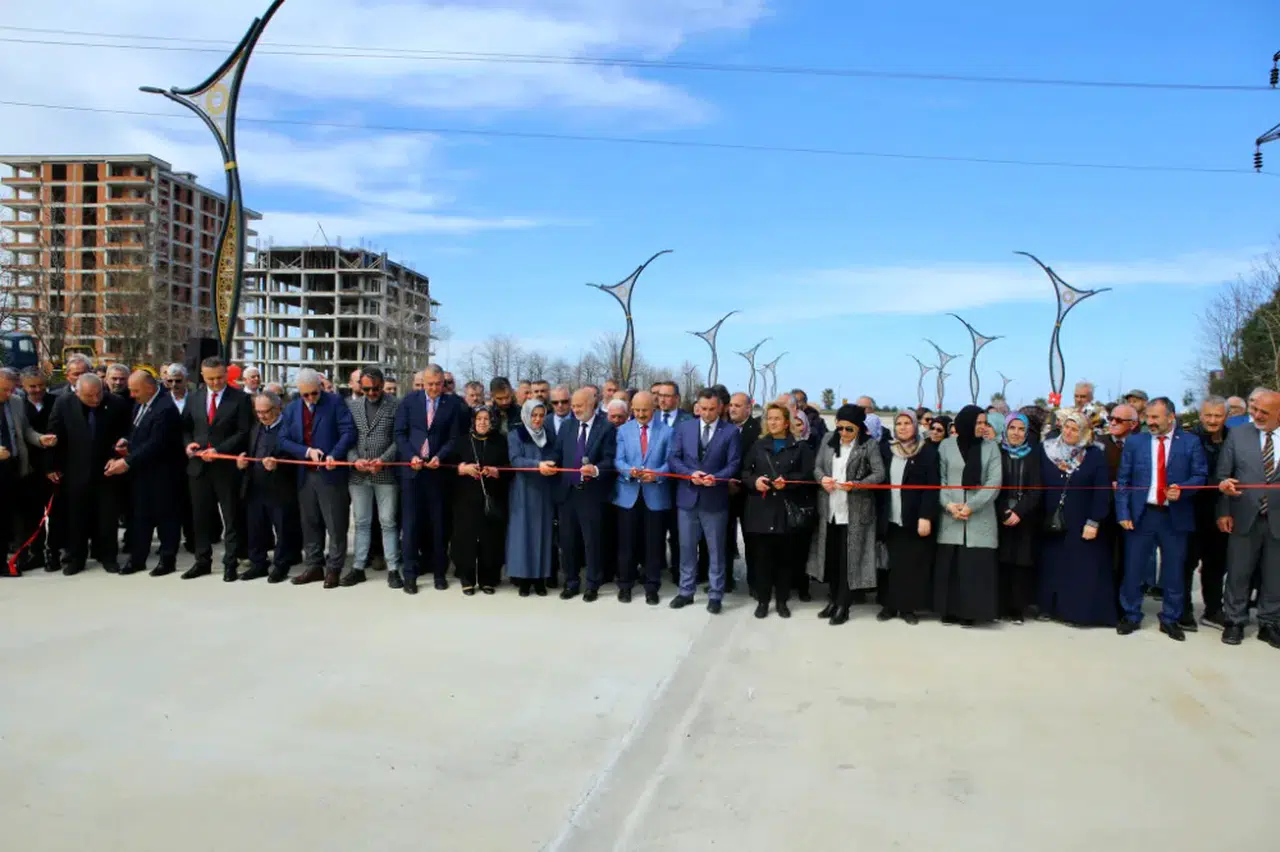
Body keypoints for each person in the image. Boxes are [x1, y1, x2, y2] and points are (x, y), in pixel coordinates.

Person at [1116, 397, 1208, 641]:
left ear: (1171, 417)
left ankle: (1170, 618)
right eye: (1148, 416)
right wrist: (1123, 513)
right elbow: (1123, 481)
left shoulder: (1190, 442)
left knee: (1174, 571)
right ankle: (1131, 614)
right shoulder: (1136, 442)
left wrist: (1184, 489)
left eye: (1155, 417)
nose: (1150, 422)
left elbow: (1200, 476)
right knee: (1134, 568)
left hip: (1175, 517)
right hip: (1142, 515)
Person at [46, 373, 130, 575]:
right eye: (89, 396)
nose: (95, 400)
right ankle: (76, 559)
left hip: (108, 470)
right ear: (77, 392)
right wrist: (51, 466)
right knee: (76, 518)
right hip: (75, 470)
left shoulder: (116, 403)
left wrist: (123, 444)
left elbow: (128, 430)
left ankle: (109, 557)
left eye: (98, 394)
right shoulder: (64, 403)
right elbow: (54, 434)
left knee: (108, 518)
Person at [279, 368, 356, 589]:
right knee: (310, 522)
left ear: (321, 387)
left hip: (331, 474)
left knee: (335, 523)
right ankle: (314, 565)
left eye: (314, 393)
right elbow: (283, 440)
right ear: (298, 392)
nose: (311, 398)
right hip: (305, 475)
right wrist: (306, 451)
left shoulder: (335, 403)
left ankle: (334, 568)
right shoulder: (292, 409)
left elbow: (348, 432)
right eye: (306, 395)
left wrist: (334, 454)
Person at [809, 403, 885, 625]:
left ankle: (844, 604)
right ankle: (833, 600)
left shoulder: (868, 445)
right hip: (829, 510)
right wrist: (822, 479)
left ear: (858, 428)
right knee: (831, 559)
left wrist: (857, 485)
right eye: (840, 427)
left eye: (849, 429)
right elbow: (817, 468)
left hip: (855, 512)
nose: (843, 433)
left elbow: (880, 473)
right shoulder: (827, 440)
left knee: (848, 560)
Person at [667, 388, 741, 614]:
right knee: (686, 547)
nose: (707, 414)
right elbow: (673, 458)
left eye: (712, 409)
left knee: (716, 550)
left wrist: (716, 479)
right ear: (697, 407)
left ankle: (716, 594)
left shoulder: (730, 432)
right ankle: (686, 591)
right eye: (703, 409)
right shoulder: (684, 428)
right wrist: (691, 475)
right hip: (688, 498)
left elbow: (734, 463)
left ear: (720, 408)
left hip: (714, 499)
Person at [1216, 388, 1280, 648]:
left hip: (1277, 517)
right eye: (1254, 409)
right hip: (1243, 515)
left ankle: (1270, 622)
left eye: (1264, 412)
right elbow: (1223, 475)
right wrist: (1223, 510)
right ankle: (1234, 620)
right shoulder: (1238, 434)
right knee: (1238, 572)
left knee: (1275, 575)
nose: (1256, 415)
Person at [1038, 410, 1115, 627]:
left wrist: (1094, 521)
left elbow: (1102, 491)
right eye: (1067, 427)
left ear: (1084, 432)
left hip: (1082, 522)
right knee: (1053, 566)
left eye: (1075, 429)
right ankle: (1049, 608)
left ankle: (1076, 613)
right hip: (1052, 521)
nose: (1070, 432)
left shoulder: (1094, 454)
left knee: (1080, 569)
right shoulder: (1047, 450)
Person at [394, 364, 466, 595]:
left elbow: (455, 437)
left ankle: (438, 574)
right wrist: (411, 456)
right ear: (423, 382)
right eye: (430, 384)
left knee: (439, 526)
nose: (434, 388)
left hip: (438, 473)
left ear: (443, 383)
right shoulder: (409, 401)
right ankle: (410, 576)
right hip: (413, 473)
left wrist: (439, 456)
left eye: (438, 384)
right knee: (411, 526)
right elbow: (400, 434)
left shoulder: (453, 404)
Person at [181, 357, 253, 582]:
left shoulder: (240, 399)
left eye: (220, 378)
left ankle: (230, 562)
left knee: (231, 517)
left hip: (226, 468)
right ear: (203, 376)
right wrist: (188, 444)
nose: (215, 382)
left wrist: (219, 450)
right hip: (199, 467)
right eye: (210, 378)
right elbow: (185, 427)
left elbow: (243, 431)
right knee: (200, 517)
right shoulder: (194, 398)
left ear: (226, 375)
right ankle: (202, 561)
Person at [742, 401, 815, 619]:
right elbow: (745, 471)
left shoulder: (800, 447)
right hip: (761, 510)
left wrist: (790, 482)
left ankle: (782, 601)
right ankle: (763, 601)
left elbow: (808, 475)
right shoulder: (758, 445)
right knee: (762, 560)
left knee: (785, 561)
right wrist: (755, 481)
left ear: (786, 422)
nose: (772, 422)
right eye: (769, 419)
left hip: (786, 511)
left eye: (777, 419)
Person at [545, 387, 616, 601]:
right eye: (573, 406)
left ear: (592, 403)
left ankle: (593, 584)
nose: (574, 410)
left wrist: (595, 470)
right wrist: (551, 462)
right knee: (568, 542)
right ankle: (571, 582)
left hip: (591, 494)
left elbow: (610, 458)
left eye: (579, 406)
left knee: (591, 541)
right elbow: (557, 452)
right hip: (567, 493)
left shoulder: (606, 428)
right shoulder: (567, 426)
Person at [112, 370, 184, 577]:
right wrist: (127, 441)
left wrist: (127, 462)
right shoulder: (140, 404)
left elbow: (156, 443)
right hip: (142, 473)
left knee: (166, 519)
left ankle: (167, 559)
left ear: (150, 388)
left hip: (163, 474)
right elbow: (138, 431)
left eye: (135, 390)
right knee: (140, 517)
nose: (132, 395)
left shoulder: (165, 408)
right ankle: (137, 559)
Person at [934, 405, 1001, 626]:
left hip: (979, 517)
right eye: (978, 423)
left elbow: (994, 482)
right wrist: (949, 505)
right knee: (952, 567)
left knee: (974, 568)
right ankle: (949, 610)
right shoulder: (946, 446)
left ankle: (972, 613)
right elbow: (940, 480)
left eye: (985, 423)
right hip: (951, 516)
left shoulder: (991, 448)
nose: (982, 427)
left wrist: (971, 506)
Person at [878, 410, 939, 624]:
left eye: (907, 423)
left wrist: (926, 516)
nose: (903, 427)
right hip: (890, 517)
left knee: (911, 565)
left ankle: (907, 608)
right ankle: (889, 605)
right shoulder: (886, 449)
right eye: (899, 423)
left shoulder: (927, 452)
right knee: (890, 564)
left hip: (914, 519)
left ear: (915, 426)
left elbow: (932, 488)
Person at [345, 366, 402, 588]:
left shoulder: (395, 405)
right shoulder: (353, 406)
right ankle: (358, 567)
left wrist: (384, 460)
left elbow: (399, 438)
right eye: (366, 389)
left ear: (381, 384)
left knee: (388, 522)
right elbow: (348, 437)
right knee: (361, 522)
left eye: (376, 388)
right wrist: (354, 460)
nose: (371, 393)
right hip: (359, 476)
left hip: (385, 474)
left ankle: (393, 569)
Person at [613, 390, 671, 605]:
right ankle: (625, 585)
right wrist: (630, 471)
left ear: (653, 409)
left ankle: (651, 586)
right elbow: (618, 460)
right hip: (628, 494)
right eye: (636, 410)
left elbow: (670, 462)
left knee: (653, 544)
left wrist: (657, 474)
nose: (640, 414)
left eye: (644, 410)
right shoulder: (623, 431)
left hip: (654, 495)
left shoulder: (667, 432)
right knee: (626, 543)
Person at [238, 391, 300, 583]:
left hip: (280, 487)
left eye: (266, 412)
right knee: (256, 527)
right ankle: (259, 563)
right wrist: (242, 463)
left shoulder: (290, 428)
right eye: (258, 412)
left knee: (282, 528)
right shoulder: (256, 427)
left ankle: (281, 565)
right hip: (256, 485)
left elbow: (297, 455)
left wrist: (279, 463)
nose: (262, 416)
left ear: (278, 408)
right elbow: (251, 451)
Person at [0, 368, 56, 575]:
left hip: (14, 467)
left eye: (11, 389)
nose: (9, 394)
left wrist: (40, 439)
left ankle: (8, 560)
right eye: (4, 390)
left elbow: (24, 431)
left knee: (10, 516)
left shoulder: (15, 402)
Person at [449, 407, 510, 595]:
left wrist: (497, 471)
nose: (482, 422)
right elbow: (448, 466)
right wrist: (462, 469)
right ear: (473, 421)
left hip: (492, 498)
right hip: (465, 499)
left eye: (486, 419)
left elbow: (510, 467)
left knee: (490, 540)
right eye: (479, 419)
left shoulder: (500, 441)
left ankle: (488, 580)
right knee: (466, 539)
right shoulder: (462, 441)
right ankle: (467, 579)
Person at [507, 399, 557, 596]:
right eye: (533, 415)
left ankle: (540, 579)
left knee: (543, 535)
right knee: (523, 535)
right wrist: (538, 465)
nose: (537, 419)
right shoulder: (516, 435)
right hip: (523, 490)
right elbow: (515, 460)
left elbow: (556, 456)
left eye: (541, 415)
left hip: (544, 490)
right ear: (526, 415)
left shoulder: (550, 436)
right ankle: (524, 579)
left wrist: (552, 465)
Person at [1187, 397, 1229, 629]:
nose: (1213, 420)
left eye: (1218, 416)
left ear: (1226, 417)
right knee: (1187, 563)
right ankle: (1183, 610)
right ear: (1201, 415)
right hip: (1192, 509)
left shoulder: (1234, 437)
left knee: (1216, 565)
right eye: (1208, 415)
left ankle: (1213, 609)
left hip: (1223, 511)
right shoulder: (1188, 438)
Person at [996, 413, 1042, 622]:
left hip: (1025, 516)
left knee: (1021, 563)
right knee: (1001, 560)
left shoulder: (1033, 455)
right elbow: (992, 485)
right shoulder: (997, 452)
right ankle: (999, 605)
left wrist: (1019, 512)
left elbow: (1036, 489)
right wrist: (1004, 510)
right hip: (1000, 514)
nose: (1016, 433)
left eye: (1020, 429)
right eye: (1012, 428)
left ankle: (1017, 608)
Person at [17, 367, 58, 572]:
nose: (37, 390)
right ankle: (34, 552)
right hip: (27, 469)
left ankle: (54, 552)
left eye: (41, 385)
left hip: (53, 468)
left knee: (56, 514)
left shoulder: (56, 402)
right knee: (30, 515)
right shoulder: (17, 405)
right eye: (32, 386)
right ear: (22, 386)